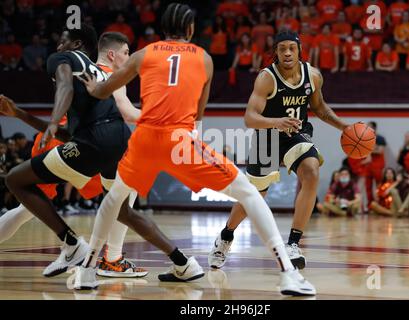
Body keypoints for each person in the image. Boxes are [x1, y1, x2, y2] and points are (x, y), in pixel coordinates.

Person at [75, 4, 316, 296]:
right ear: (190, 30)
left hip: (145, 139)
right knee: (249, 192)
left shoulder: (143, 54)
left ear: (163, 29)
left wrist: (90, 85)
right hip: (180, 140)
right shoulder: (205, 59)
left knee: (113, 200)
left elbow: (103, 90)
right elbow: (198, 114)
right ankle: (288, 275)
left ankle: (87, 271)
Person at [3, 25, 183, 280]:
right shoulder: (109, 75)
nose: (129, 58)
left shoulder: (86, 68)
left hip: (67, 137)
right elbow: (126, 112)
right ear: (111, 55)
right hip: (79, 141)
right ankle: (111, 259)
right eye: (126, 52)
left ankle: (77, 248)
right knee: (122, 197)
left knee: (29, 206)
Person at [207, 30, 351, 271]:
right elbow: (249, 118)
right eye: (281, 48)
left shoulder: (312, 76)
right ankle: (226, 236)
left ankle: (293, 243)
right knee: (254, 196)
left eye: (291, 48)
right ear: (275, 52)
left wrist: (344, 127)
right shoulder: (267, 78)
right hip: (267, 136)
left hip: (296, 134)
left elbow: (320, 108)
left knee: (311, 171)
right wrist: (275, 121)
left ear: (299, 50)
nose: (286, 52)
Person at [362, 121, 386, 208]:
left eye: (369, 127)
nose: (367, 129)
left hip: (378, 164)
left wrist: (369, 150)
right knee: (368, 187)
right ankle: (370, 206)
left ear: (375, 128)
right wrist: (373, 149)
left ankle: (380, 205)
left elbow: (380, 151)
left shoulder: (380, 138)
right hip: (368, 165)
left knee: (379, 186)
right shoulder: (364, 139)